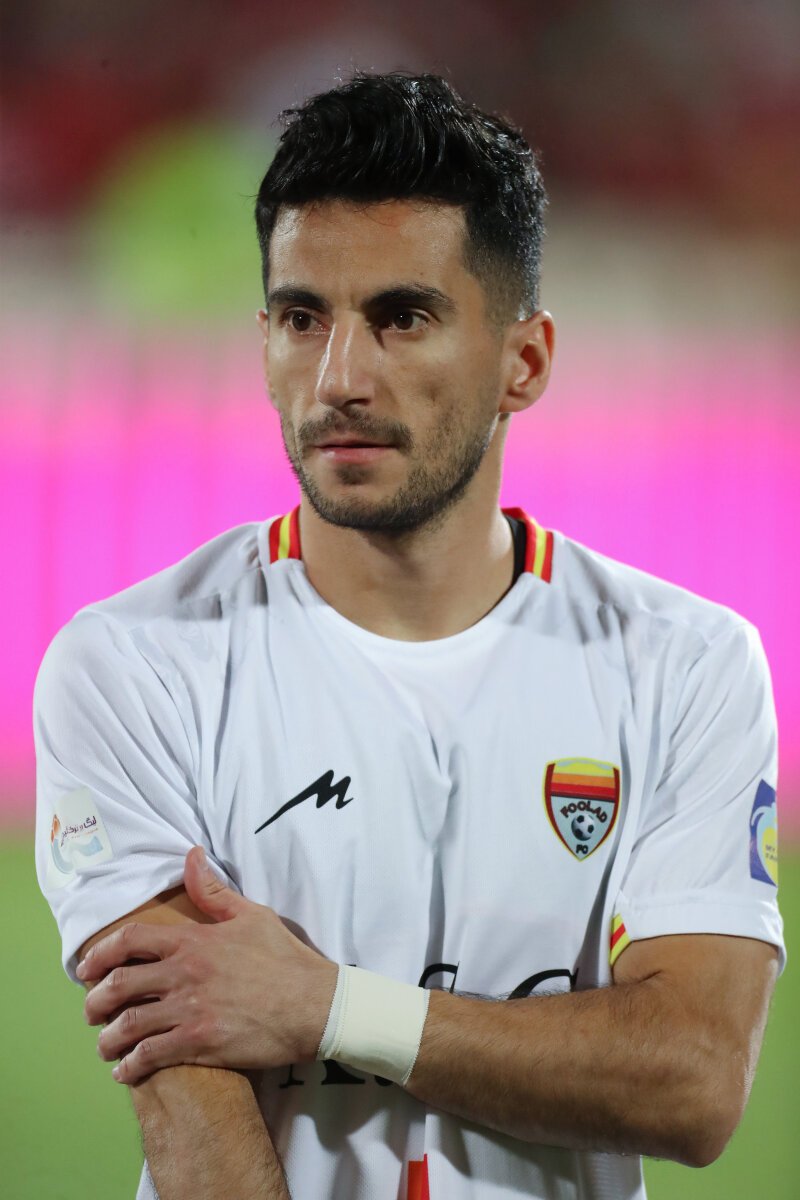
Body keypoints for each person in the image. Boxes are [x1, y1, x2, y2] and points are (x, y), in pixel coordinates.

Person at [34, 72, 784, 1200]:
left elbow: (693, 1084)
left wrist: (326, 1007)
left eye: (402, 318)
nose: (339, 378)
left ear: (523, 362)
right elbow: (196, 1131)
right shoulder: (132, 666)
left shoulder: (685, 665)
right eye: (303, 319)